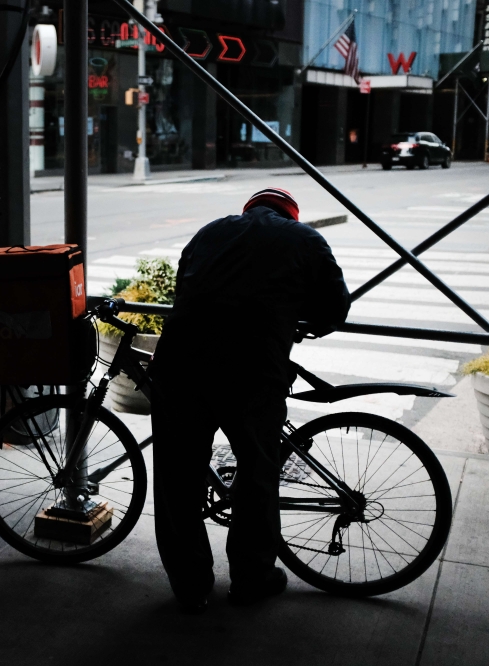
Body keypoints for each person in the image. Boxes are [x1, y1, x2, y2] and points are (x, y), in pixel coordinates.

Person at [149, 187, 350, 611]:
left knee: (177, 479)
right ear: (290, 215)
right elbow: (335, 309)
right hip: (253, 371)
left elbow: (185, 289)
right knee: (258, 473)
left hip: (181, 364)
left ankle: (189, 585)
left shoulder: (209, 233)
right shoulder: (305, 239)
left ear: (248, 210)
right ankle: (251, 578)